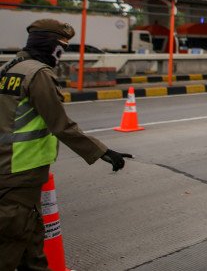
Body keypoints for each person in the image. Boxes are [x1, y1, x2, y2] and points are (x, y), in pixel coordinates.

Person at [0, 19, 132, 271]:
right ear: (48, 45)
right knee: (11, 243)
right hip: (21, 171)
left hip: (11, 168)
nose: (62, 54)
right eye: (61, 47)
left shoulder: (10, 68)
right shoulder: (38, 74)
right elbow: (61, 125)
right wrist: (103, 151)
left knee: (31, 241)